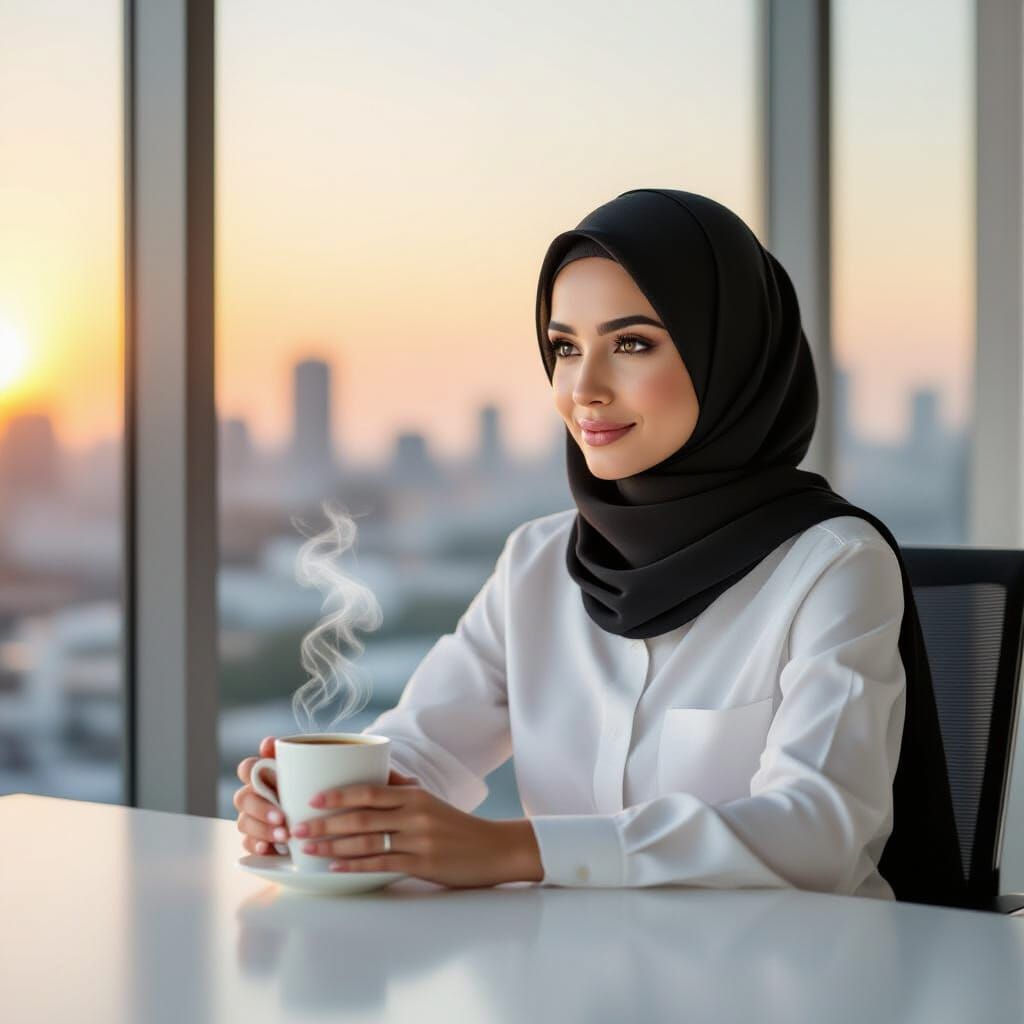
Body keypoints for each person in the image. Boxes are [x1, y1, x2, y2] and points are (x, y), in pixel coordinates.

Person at [234, 188, 966, 905]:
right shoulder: (536, 562)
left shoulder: (835, 563)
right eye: (563, 347)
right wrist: (320, 810)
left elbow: (821, 830)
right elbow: (425, 752)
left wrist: (515, 849)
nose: (582, 387)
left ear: (730, 358)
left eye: (633, 344)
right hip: (570, 977)